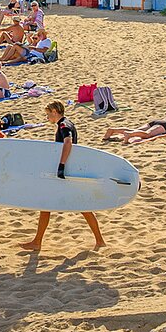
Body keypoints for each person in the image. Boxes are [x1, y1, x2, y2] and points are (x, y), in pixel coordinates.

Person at [21, 101, 105, 252]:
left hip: (65, 173)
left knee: (51, 206)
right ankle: (99, 240)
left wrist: (61, 166)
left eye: (48, 114)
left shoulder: (63, 125)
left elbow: (68, 143)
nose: (47, 118)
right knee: (75, 207)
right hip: (69, 172)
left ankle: (37, 242)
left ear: (54, 111)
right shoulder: (68, 123)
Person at [102, 102, 166, 144]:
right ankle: (129, 134)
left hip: (157, 121)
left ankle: (113, 130)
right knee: (147, 135)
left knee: (137, 130)